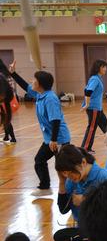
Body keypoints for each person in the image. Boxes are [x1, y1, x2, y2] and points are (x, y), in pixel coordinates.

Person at [10, 64, 71, 197]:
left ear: (40, 84)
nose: (32, 82)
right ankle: (45, 187)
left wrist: (54, 140)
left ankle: (72, 190)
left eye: (34, 80)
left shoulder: (50, 99)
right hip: (50, 139)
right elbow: (24, 85)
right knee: (39, 160)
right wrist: (13, 73)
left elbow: (56, 120)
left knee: (62, 167)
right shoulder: (40, 95)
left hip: (59, 139)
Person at [55, 144, 107, 221]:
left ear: (83, 162)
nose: (68, 176)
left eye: (70, 172)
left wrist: (85, 200)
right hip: (82, 229)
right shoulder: (71, 181)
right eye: (65, 173)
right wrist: (62, 182)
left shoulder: (105, 178)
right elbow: (63, 210)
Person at [81, 59, 107, 153]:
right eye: (104, 67)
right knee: (92, 128)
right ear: (99, 68)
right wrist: (87, 104)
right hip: (93, 108)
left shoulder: (98, 78)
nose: (105, 69)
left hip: (98, 108)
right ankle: (85, 149)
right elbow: (88, 91)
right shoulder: (95, 79)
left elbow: (86, 90)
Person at [0, 59, 17, 144]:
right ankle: (7, 136)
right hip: (11, 100)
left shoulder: (2, 77)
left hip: (6, 101)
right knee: (5, 119)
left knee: (6, 119)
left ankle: (13, 137)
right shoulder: (7, 74)